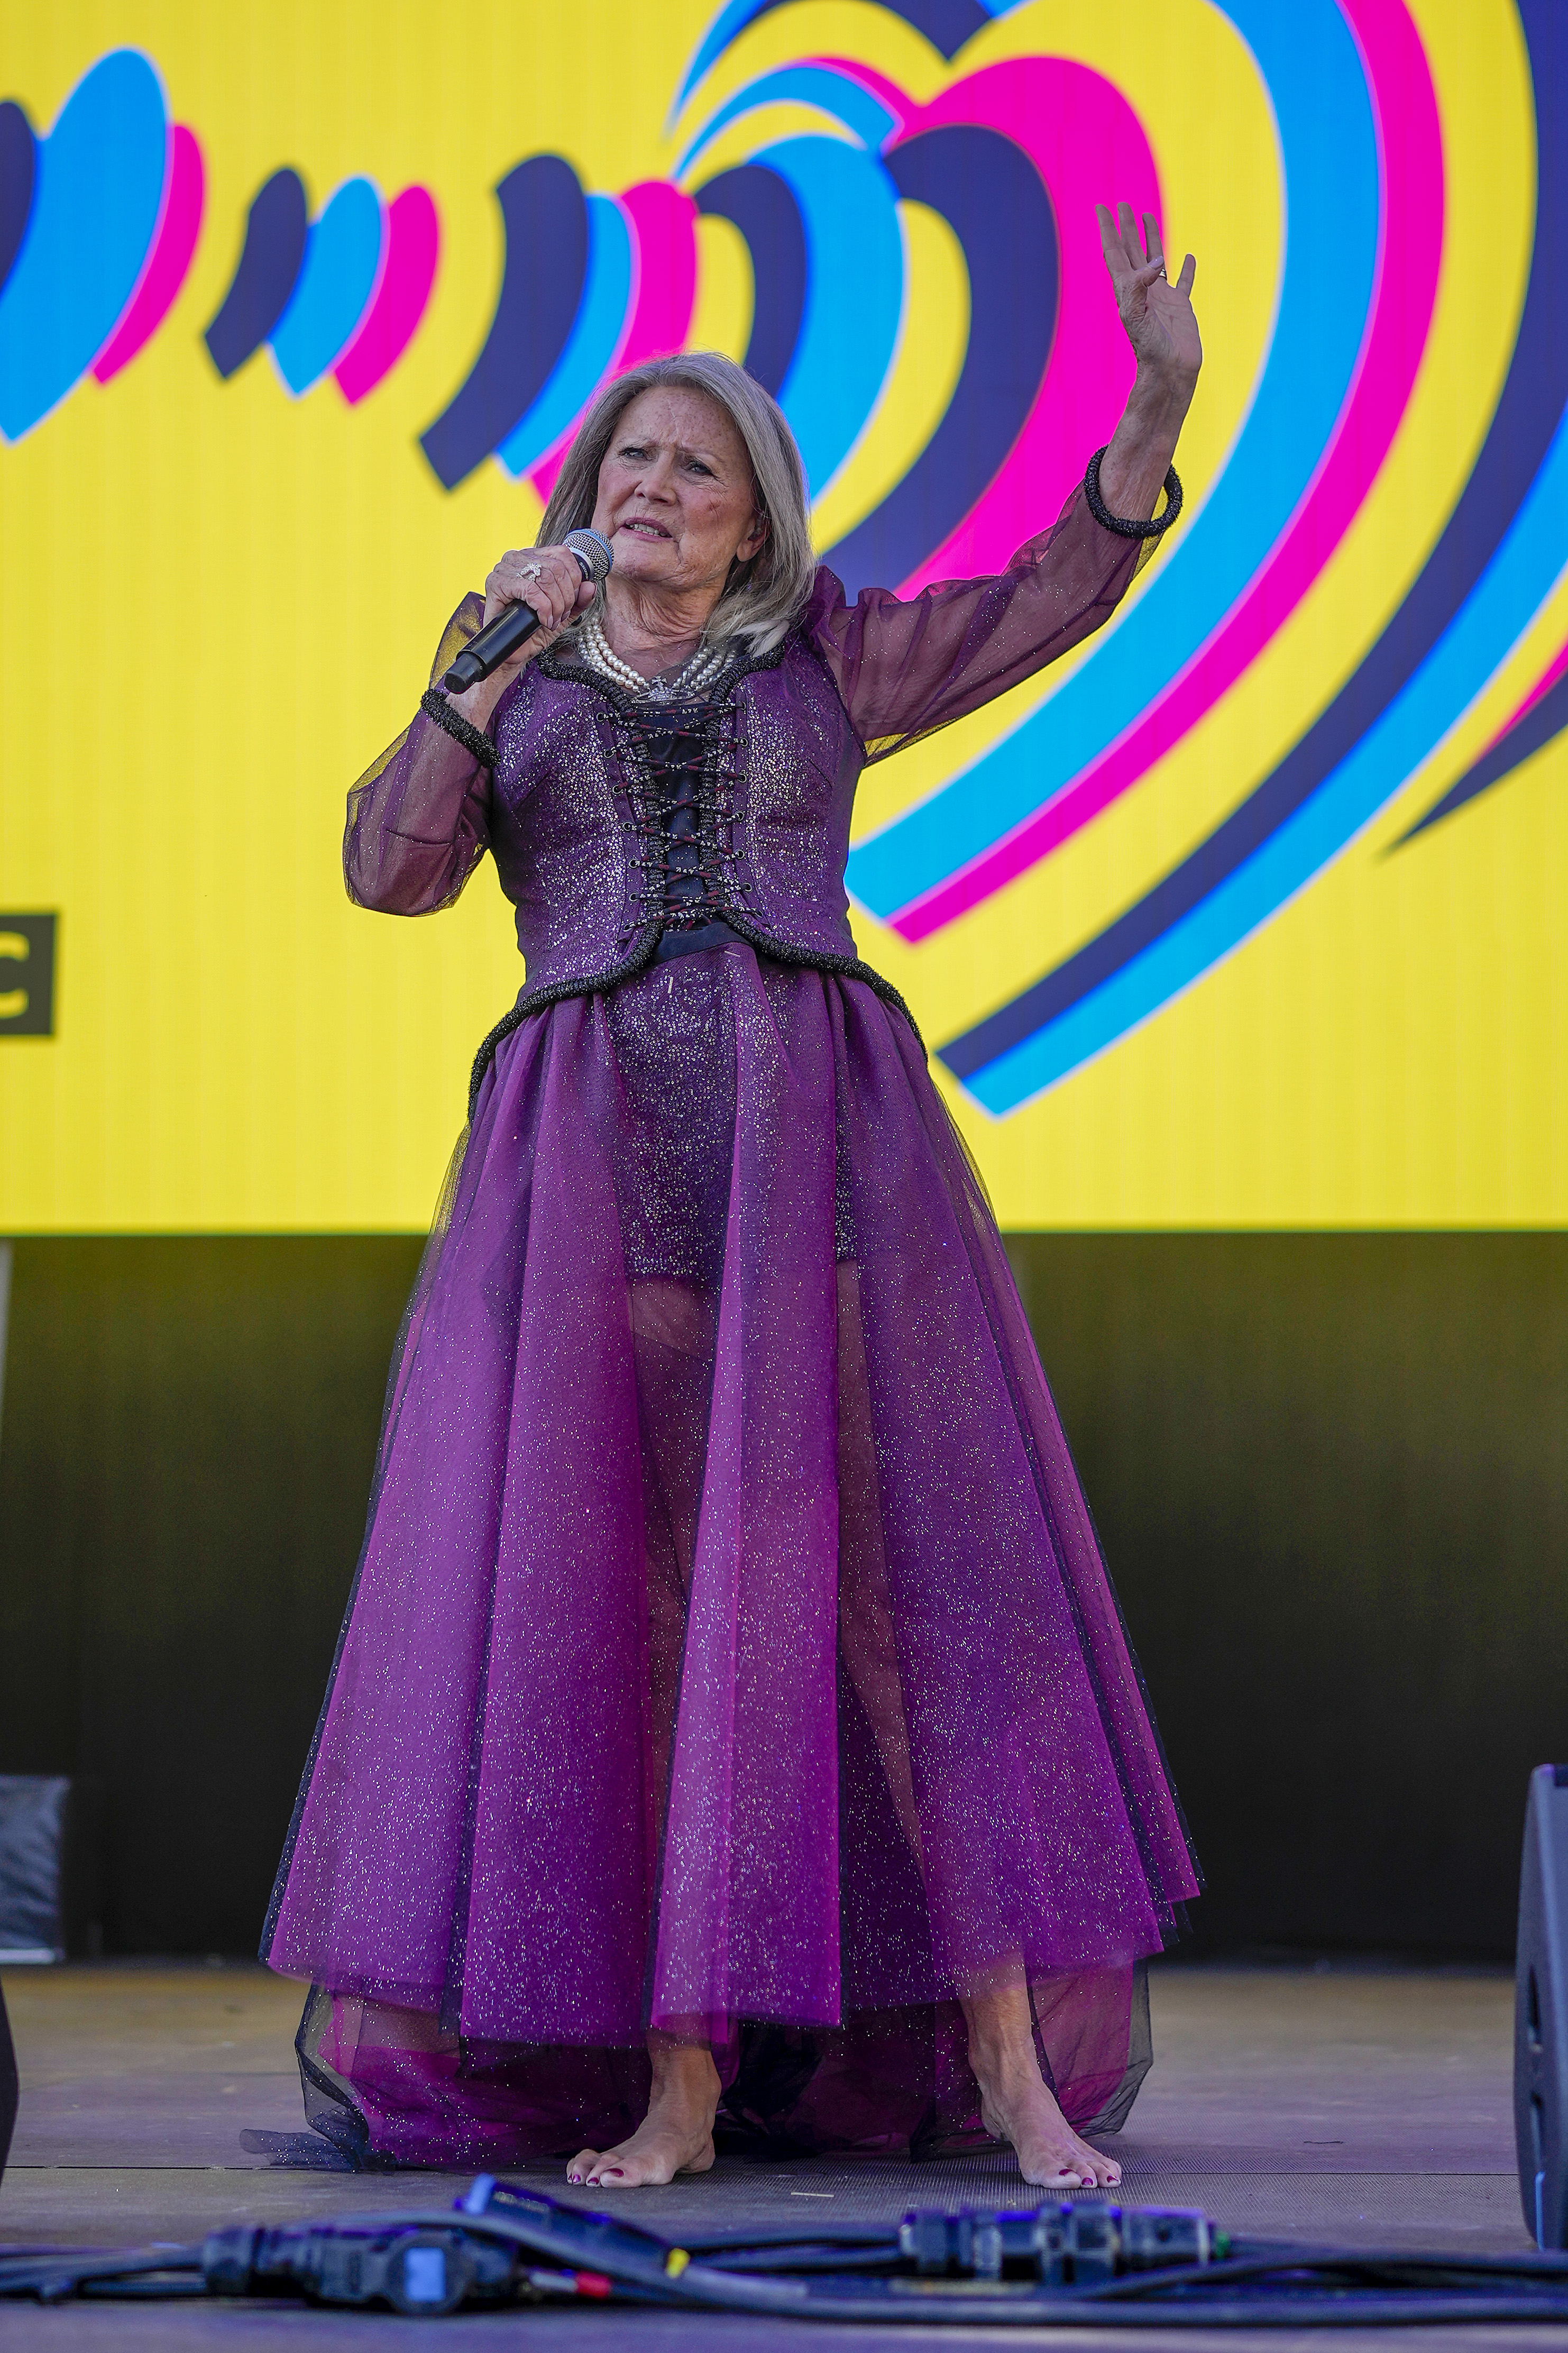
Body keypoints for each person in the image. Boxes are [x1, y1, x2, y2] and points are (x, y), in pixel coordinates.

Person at [264, 205, 1203, 2191]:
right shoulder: (515, 671)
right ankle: (677, 2085)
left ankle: (1014, 2073)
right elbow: (386, 871)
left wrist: (1153, 412)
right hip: (595, 1174)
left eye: (694, 465)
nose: (654, 487)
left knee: (895, 1621)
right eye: (628, 462)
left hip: (822, 1166)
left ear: (759, 517)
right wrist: (467, 661)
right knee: (657, 1627)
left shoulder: (829, 656)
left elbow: (1048, 600)